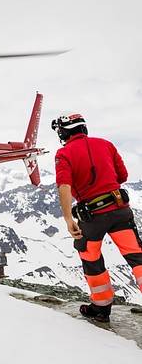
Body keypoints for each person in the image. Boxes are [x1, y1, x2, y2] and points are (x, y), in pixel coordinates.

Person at [52, 113, 142, 323]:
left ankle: (101, 309)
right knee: (137, 257)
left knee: (91, 258)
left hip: (92, 217)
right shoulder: (106, 144)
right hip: (121, 210)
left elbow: (64, 185)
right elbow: (123, 176)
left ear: (64, 132)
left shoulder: (63, 153)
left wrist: (67, 219)